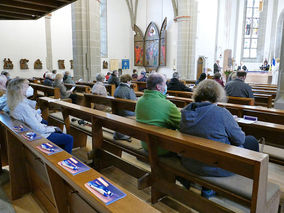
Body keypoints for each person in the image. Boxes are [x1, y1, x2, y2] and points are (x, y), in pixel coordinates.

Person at [179, 79, 259, 197]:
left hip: (190, 162)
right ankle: (249, 184)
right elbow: (240, 139)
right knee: (251, 141)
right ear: (217, 95)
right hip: (216, 167)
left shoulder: (186, 111)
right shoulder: (221, 113)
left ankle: (208, 186)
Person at [7, 78, 73, 153]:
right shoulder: (23, 107)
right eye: (27, 86)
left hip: (30, 131)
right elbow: (39, 129)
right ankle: (65, 158)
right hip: (37, 135)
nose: (30, 88)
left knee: (55, 130)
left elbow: (31, 115)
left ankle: (59, 153)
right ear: (19, 90)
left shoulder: (15, 102)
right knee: (69, 138)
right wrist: (53, 129)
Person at [135, 73, 181, 155]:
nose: (166, 86)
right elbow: (182, 125)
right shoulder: (167, 105)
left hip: (146, 144)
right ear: (158, 87)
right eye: (165, 84)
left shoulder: (139, 101)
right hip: (162, 148)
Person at [113, 74, 137, 141]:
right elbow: (134, 103)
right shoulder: (129, 90)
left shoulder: (117, 88)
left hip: (118, 111)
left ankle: (118, 133)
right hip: (127, 112)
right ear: (128, 81)